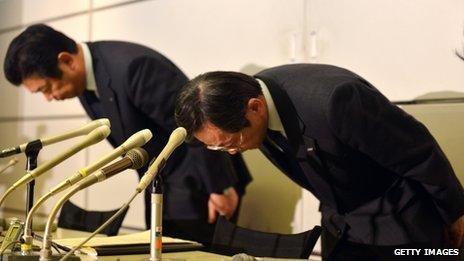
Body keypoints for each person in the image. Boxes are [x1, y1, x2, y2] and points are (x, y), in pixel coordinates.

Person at [175, 64, 464, 260]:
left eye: (231, 142)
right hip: (340, 225)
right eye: (218, 147)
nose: (232, 152)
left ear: (255, 107)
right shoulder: (247, 98)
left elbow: (418, 152)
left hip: (402, 225)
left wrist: (456, 212)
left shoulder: (335, 101)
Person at [3, 24, 251, 244]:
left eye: (47, 89)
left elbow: (196, 124)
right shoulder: (86, 83)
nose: (49, 98)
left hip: (201, 181)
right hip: (162, 181)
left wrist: (221, 186)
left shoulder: (133, 67)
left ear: (67, 60)